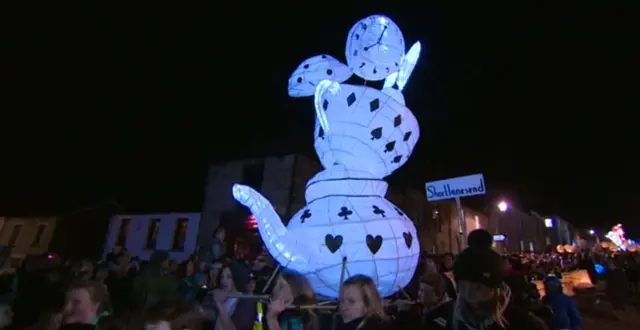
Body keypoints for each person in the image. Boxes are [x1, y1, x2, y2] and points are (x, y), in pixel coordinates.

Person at [449, 229, 548, 330]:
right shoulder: (445, 320)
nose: (468, 294)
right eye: (463, 286)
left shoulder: (523, 324)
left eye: (478, 287)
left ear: (494, 287)